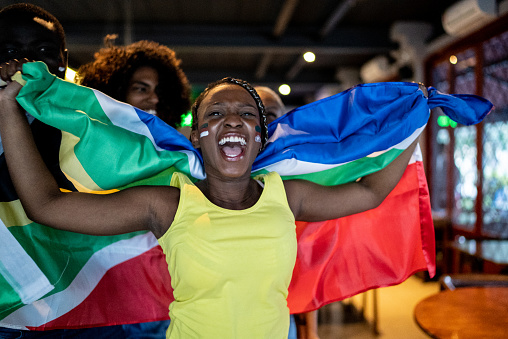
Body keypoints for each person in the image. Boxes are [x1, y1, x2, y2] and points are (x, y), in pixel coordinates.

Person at [0, 61, 420, 338]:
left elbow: (369, 191)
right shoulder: (167, 204)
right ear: (196, 137)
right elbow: (46, 206)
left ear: (260, 137)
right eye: (215, 114)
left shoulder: (287, 195)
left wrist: (415, 121)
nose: (232, 119)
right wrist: (7, 107)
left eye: (247, 115)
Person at [0, 4, 171, 338]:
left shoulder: (90, 131)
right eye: (10, 51)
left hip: (85, 311)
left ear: (63, 61)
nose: (26, 63)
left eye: (44, 52)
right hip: (11, 308)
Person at [256, 85, 320, 339]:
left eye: (270, 114)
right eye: (252, 112)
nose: (262, 121)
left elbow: (310, 258)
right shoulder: (220, 176)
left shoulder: (300, 176)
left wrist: (312, 330)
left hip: (279, 320)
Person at [76, 37, 191, 129]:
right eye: (141, 89)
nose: (155, 99)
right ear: (114, 94)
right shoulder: (88, 146)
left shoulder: (177, 153)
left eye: (160, 91)